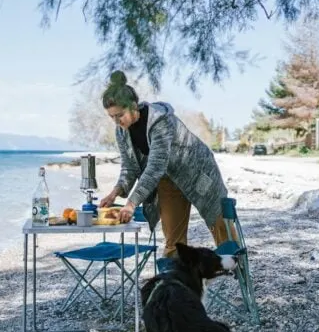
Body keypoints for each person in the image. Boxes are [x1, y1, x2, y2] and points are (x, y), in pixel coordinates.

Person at [99, 71, 233, 257]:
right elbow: (129, 167)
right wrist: (115, 193)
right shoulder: (122, 132)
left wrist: (131, 204)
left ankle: (239, 267)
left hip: (198, 172)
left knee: (220, 224)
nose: (116, 121)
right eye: (111, 117)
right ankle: (175, 282)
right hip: (168, 180)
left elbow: (155, 166)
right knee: (173, 241)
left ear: (132, 106)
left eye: (119, 115)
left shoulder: (161, 121)